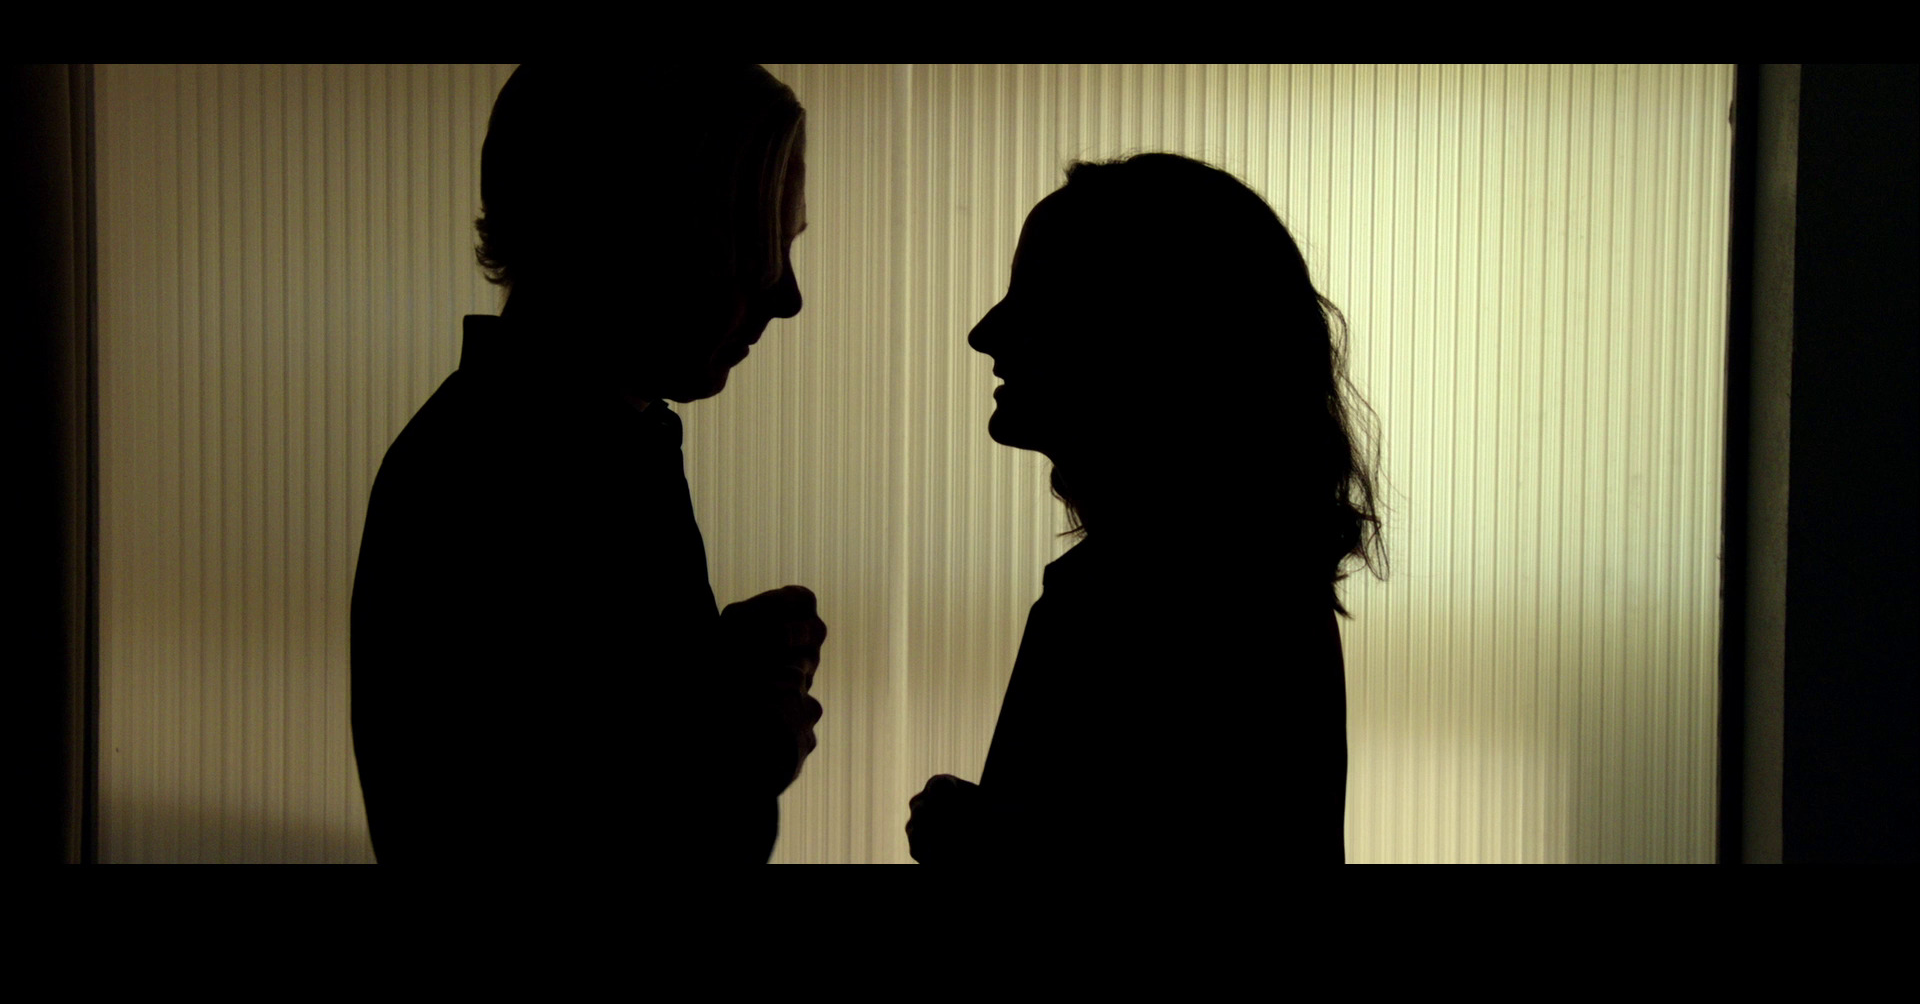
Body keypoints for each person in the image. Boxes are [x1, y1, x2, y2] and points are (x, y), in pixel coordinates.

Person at [350, 65, 824, 864]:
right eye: (754, 245)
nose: (786, 296)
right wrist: (743, 742)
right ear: (630, 237)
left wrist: (704, 681)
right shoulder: (504, 482)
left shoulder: (593, 447)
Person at [904, 152, 1386, 864]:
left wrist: (985, 842)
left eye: (1038, 298)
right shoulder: (1253, 590)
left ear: (1144, 336)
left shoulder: (1155, 601)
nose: (986, 332)